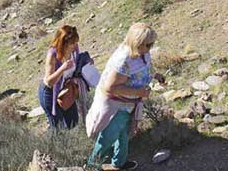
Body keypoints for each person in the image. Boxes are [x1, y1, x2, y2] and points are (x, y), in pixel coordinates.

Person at [86, 23, 165, 171]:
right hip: (117, 105)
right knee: (108, 137)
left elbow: (144, 68)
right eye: (148, 44)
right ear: (138, 43)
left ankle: (119, 163)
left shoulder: (143, 53)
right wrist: (140, 93)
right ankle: (92, 166)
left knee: (124, 133)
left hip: (129, 103)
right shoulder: (124, 60)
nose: (151, 47)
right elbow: (111, 87)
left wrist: (154, 75)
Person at [38, 24, 81, 130]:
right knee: (57, 127)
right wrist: (62, 68)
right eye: (72, 43)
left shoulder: (74, 49)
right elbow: (49, 82)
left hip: (65, 90)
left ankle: (72, 145)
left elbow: (78, 61)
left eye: (76, 42)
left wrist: (86, 61)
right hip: (50, 93)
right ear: (63, 43)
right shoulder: (52, 54)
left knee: (73, 121)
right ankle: (54, 146)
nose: (75, 45)